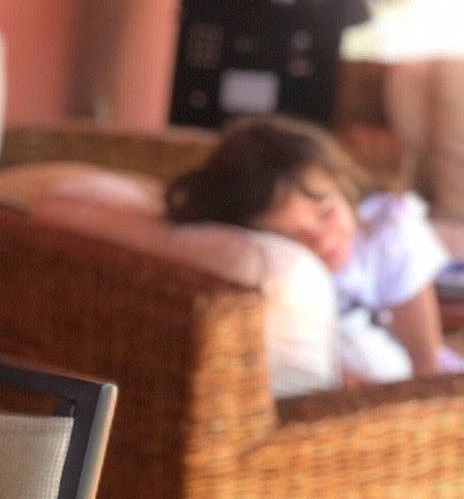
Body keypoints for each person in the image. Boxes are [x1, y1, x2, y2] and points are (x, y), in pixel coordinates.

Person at [166, 115, 462, 384]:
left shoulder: (388, 235)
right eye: (293, 237)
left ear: (342, 184)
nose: (321, 240)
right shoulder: (273, 275)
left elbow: (426, 367)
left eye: (325, 213)